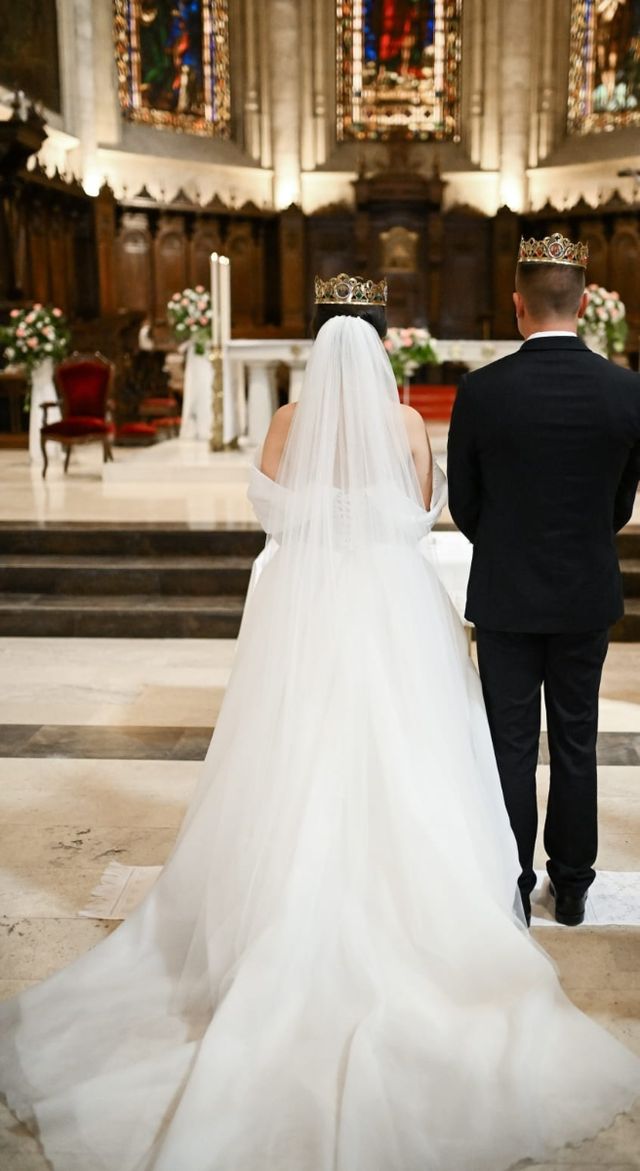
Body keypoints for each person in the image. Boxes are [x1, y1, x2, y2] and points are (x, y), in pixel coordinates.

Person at [1, 273, 639, 1171]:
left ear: (315, 339)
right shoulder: (411, 425)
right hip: (394, 611)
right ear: (382, 339)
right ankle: (510, 888)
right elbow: (426, 516)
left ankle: (281, 911)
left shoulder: (287, 423)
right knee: (423, 758)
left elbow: (270, 514)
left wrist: (321, 535)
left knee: (293, 756)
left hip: (303, 613)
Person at [447, 232, 640, 928]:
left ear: (517, 306)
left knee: (510, 744)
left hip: (504, 592)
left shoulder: (482, 390)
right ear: (584, 303)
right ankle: (575, 884)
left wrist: (506, 543)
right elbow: (622, 500)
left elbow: (464, 503)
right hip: (586, 590)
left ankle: (513, 881)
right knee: (577, 739)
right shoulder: (626, 391)